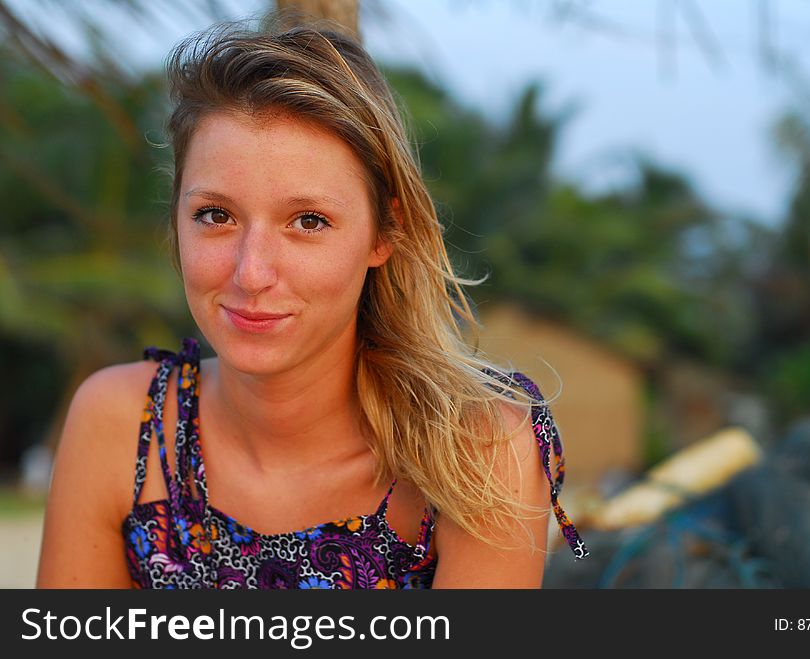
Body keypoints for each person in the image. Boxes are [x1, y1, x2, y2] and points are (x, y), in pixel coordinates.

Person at [36, 17, 586, 590]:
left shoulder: (474, 453)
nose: (251, 272)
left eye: (308, 222)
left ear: (382, 234)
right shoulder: (122, 426)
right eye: (215, 215)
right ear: (176, 216)